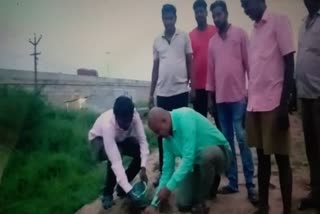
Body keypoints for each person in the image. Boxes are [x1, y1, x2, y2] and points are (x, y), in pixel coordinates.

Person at [240, 0, 295, 213]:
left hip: (274, 103)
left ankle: (287, 210)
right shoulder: (252, 34)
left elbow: (289, 63)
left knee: (282, 159)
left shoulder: (279, 21)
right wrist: (248, 101)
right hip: (255, 106)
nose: (246, 10)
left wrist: (284, 105)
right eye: (243, 8)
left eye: (248, 4)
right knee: (262, 160)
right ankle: (263, 206)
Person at [207, 0, 257, 205]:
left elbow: (250, 67)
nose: (217, 18)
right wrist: (210, 98)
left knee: (243, 142)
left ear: (226, 14)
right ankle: (233, 183)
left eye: (219, 14)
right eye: (214, 15)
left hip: (238, 99)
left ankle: (252, 187)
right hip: (220, 102)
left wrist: (250, 94)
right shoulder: (212, 42)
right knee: (226, 145)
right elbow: (211, 74)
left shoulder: (240, 34)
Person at [144, 107, 231, 214]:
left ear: (164, 121)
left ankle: (202, 201)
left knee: (207, 156)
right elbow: (167, 171)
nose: (158, 135)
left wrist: (168, 188)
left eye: (158, 131)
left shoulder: (185, 117)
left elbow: (188, 159)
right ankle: (205, 185)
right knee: (183, 203)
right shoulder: (166, 140)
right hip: (196, 163)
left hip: (220, 154)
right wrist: (154, 204)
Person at [149, 4, 193, 186]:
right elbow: (155, 68)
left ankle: (186, 170)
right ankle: (163, 172)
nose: (168, 21)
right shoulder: (157, 40)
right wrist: (151, 94)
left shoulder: (184, 36)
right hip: (163, 94)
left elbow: (190, 61)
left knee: (181, 131)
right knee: (162, 134)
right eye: (165, 18)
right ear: (162, 19)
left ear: (175, 18)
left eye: (171, 18)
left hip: (181, 91)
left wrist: (193, 86)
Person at [88, 96, 149, 209]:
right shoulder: (108, 125)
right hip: (99, 140)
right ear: (116, 116)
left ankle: (122, 188)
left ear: (132, 115)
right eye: (123, 122)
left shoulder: (134, 116)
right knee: (116, 155)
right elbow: (116, 162)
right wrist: (130, 191)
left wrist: (143, 167)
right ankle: (107, 193)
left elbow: (143, 141)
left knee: (139, 151)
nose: (126, 125)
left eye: (128, 121)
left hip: (119, 139)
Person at [296, 0, 320, 212]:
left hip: (319, 95)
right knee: (311, 147)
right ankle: (316, 192)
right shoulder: (304, 23)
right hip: (305, 96)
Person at [189, 0, 220, 128]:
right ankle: (204, 148)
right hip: (199, 87)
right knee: (200, 124)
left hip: (216, 85)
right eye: (197, 12)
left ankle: (223, 148)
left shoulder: (215, 31)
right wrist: (192, 87)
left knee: (220, 122)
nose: (199, 14)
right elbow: (189, 62)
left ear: (206, 13)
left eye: (201, 11)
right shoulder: (190, 35)